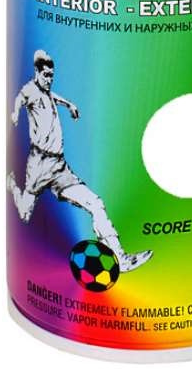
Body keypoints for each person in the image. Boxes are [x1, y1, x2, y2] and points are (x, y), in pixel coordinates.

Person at [8, 49, 152, 272]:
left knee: (95, 203)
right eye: (45, 75)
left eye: (51, 76)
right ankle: (12, 186)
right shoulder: (30, 90)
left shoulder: (47, 92)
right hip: (39, 165)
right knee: (25, 214)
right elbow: (20, 99)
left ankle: (120, 258)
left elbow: (55, 97)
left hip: (59, 167)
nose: (49, 80)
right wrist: (15, 113)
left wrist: (70, 105)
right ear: (37, 72)